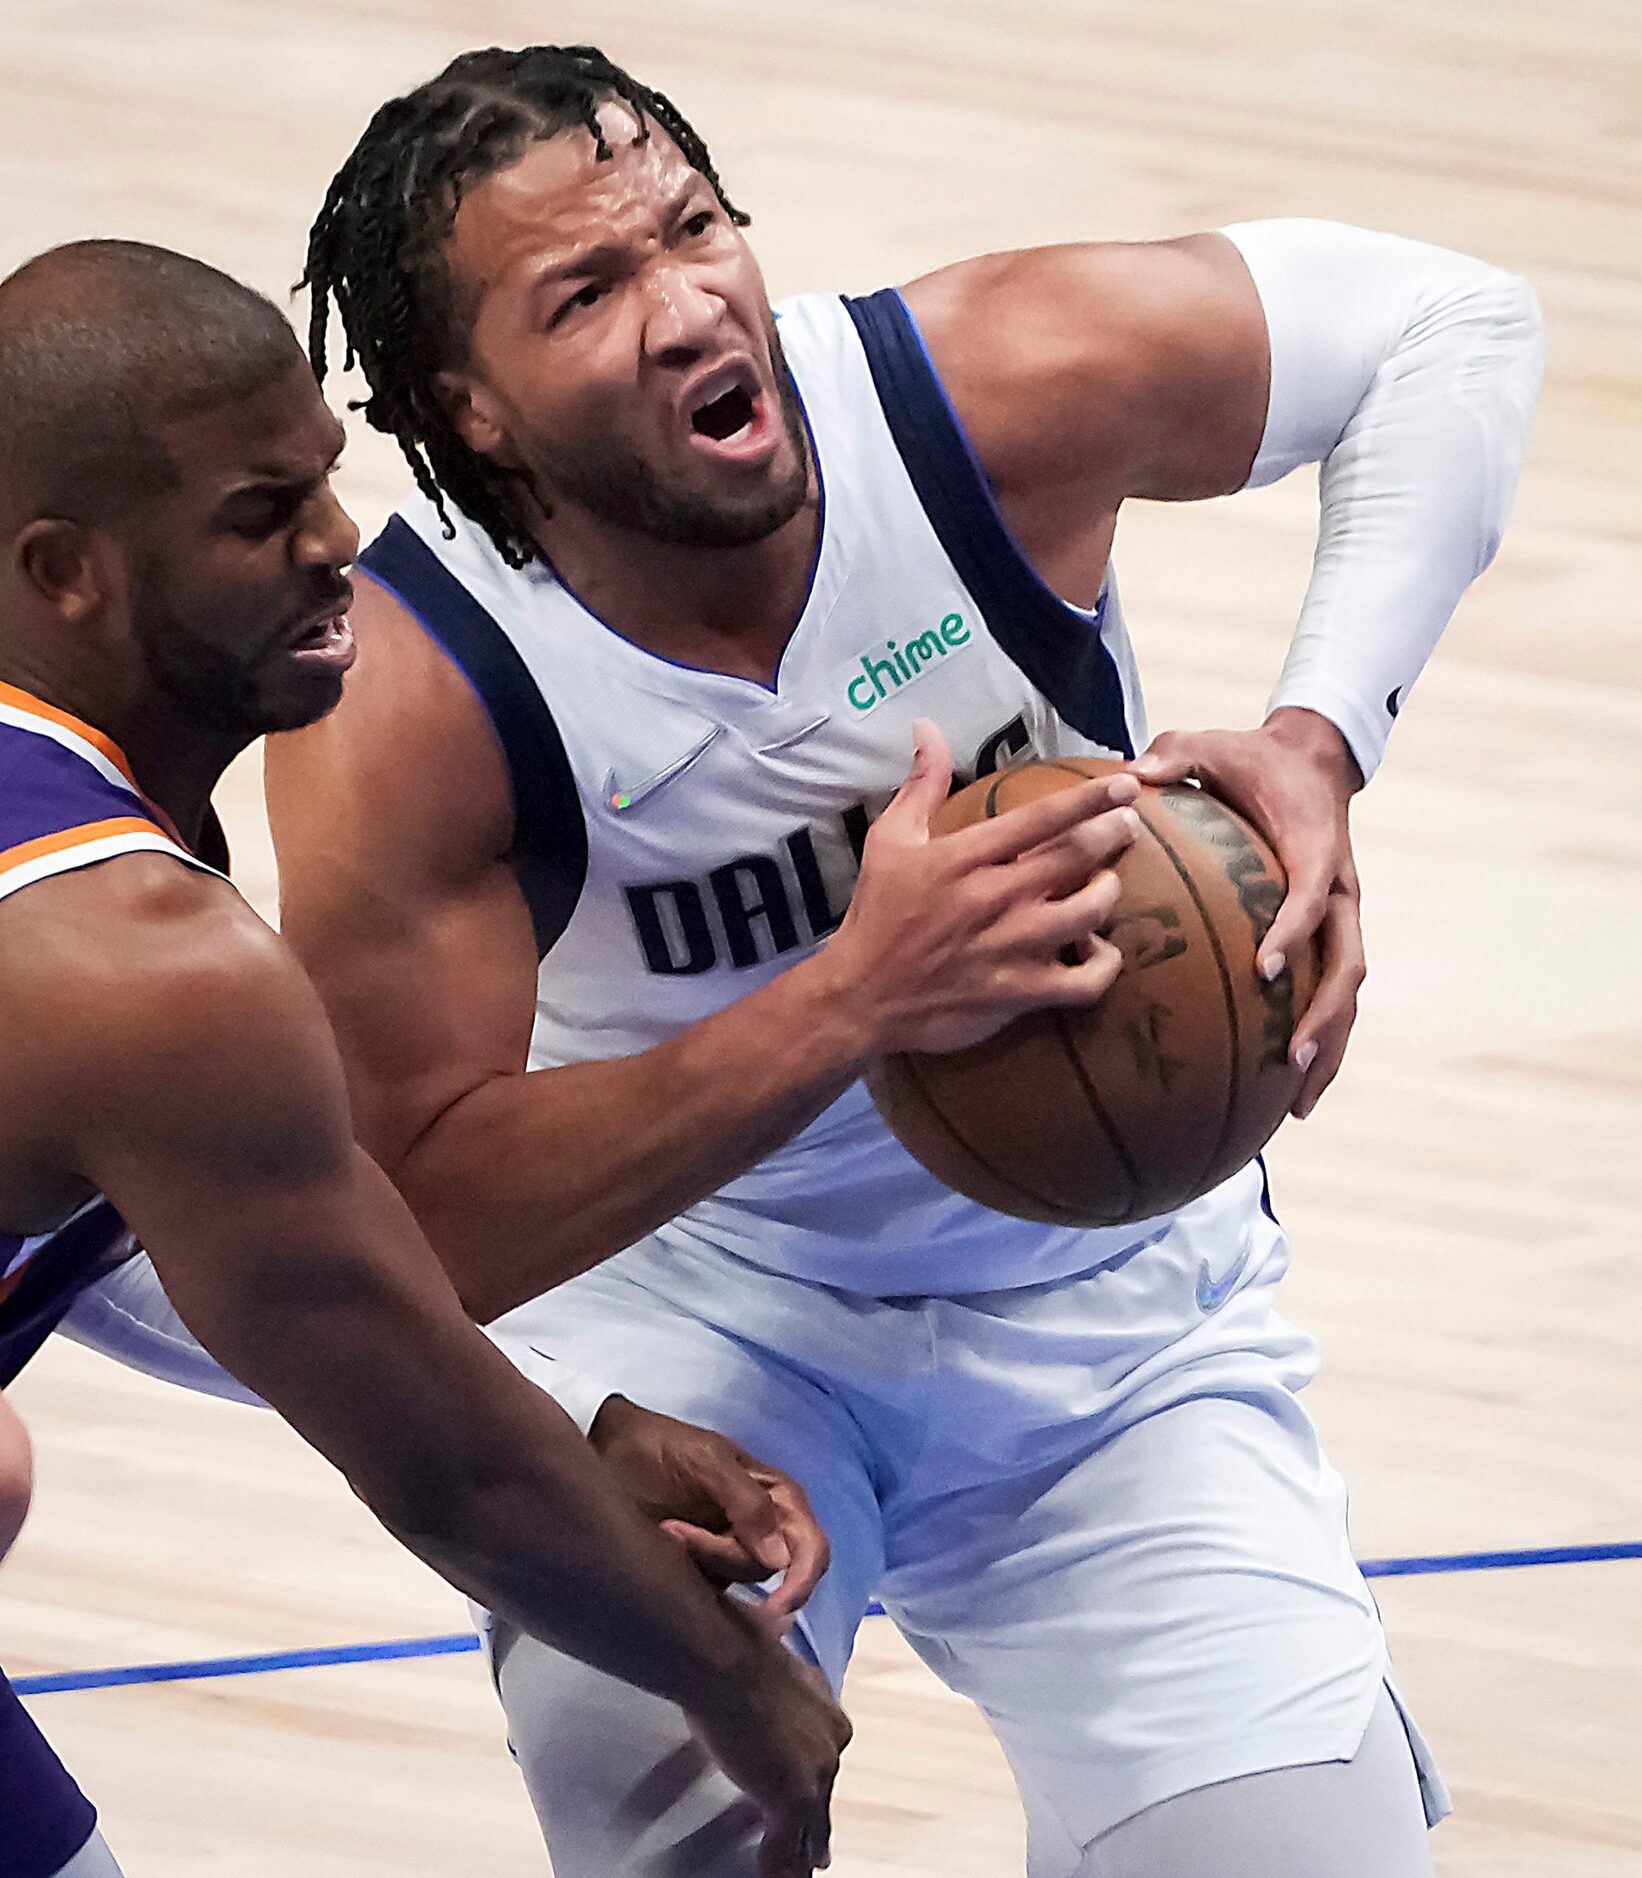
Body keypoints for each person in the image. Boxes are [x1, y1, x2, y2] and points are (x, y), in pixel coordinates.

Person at [269, 43, 1543, 1878]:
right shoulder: (413, 692)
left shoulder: (977, 394)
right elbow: (416, 1222)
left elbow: (1451, 326)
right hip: (701, 1333)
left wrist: (1319, 736)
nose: (686, 302)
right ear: (472, 411)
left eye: (693, 229)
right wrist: (854, 996)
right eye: (589, 291)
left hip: (1116, 1322)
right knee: (673, 1816)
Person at [0, 235, 919, 1878]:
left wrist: (562, 1422)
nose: (337, 543)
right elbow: (433, 1457)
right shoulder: (141, 963)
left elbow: (179, 1250)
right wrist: (737, 1690)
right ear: (65, 572)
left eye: (325, 483)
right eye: (256, 513)